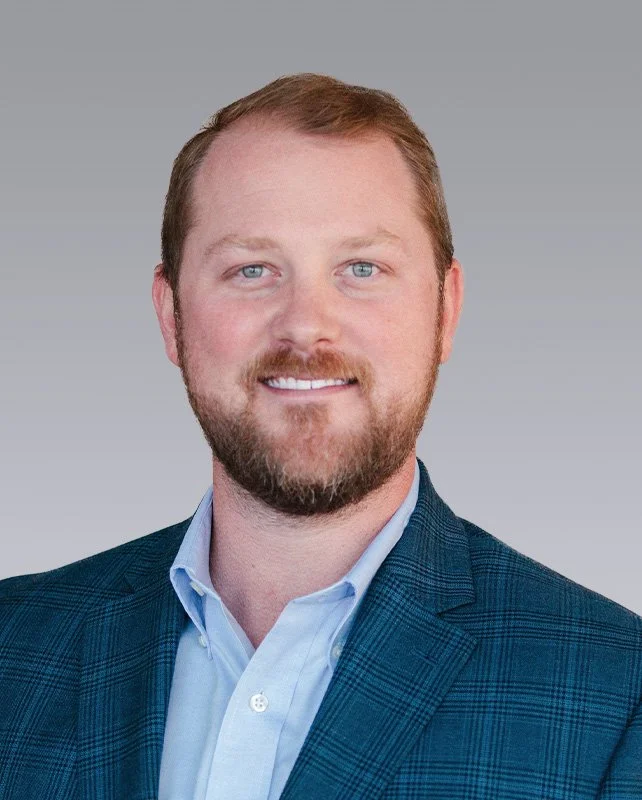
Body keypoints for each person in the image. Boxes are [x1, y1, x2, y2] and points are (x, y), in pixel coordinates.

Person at [0, 73, 640, 800]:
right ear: (171, 316)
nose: (307, 324)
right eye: (252, 269)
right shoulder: (11, 648)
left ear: (446, 309)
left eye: (362, 268)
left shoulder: (617, 693)